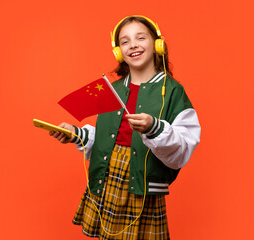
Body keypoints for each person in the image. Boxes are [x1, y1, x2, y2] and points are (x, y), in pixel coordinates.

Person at [49, 15, 201, 240]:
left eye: (141, 37)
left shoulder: (172, 91)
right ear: (118, 51)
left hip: (141, 184)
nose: (133, 45)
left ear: (157, 43)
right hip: (108, 179)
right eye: (125, 41)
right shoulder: (112, 89)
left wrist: (154, 127)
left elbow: (182, 148)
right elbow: (106, 139)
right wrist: (75, 134)